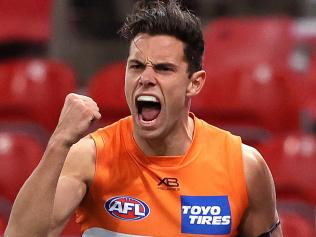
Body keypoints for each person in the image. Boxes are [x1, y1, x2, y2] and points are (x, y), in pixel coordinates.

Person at [5, 0, 282, 236]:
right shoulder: (90, 156)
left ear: (194, 83)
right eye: (136, 66)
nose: (146, 79)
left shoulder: (244, 167)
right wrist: (59, 143)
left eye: (163, 69)